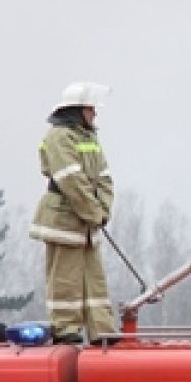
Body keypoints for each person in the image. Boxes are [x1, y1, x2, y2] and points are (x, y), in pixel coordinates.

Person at [29, 82, 116, 342]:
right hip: (64, 220)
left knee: (95, 281)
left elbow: (104, 178)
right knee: (65, 280)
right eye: (91, 109)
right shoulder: (58, 137)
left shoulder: (89, 139)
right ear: (77, 111)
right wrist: (93, 212)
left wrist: (102, 211)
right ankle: (66, 330)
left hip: (88, 223)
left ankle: (102, 330)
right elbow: (70, 180)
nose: (95, 115)